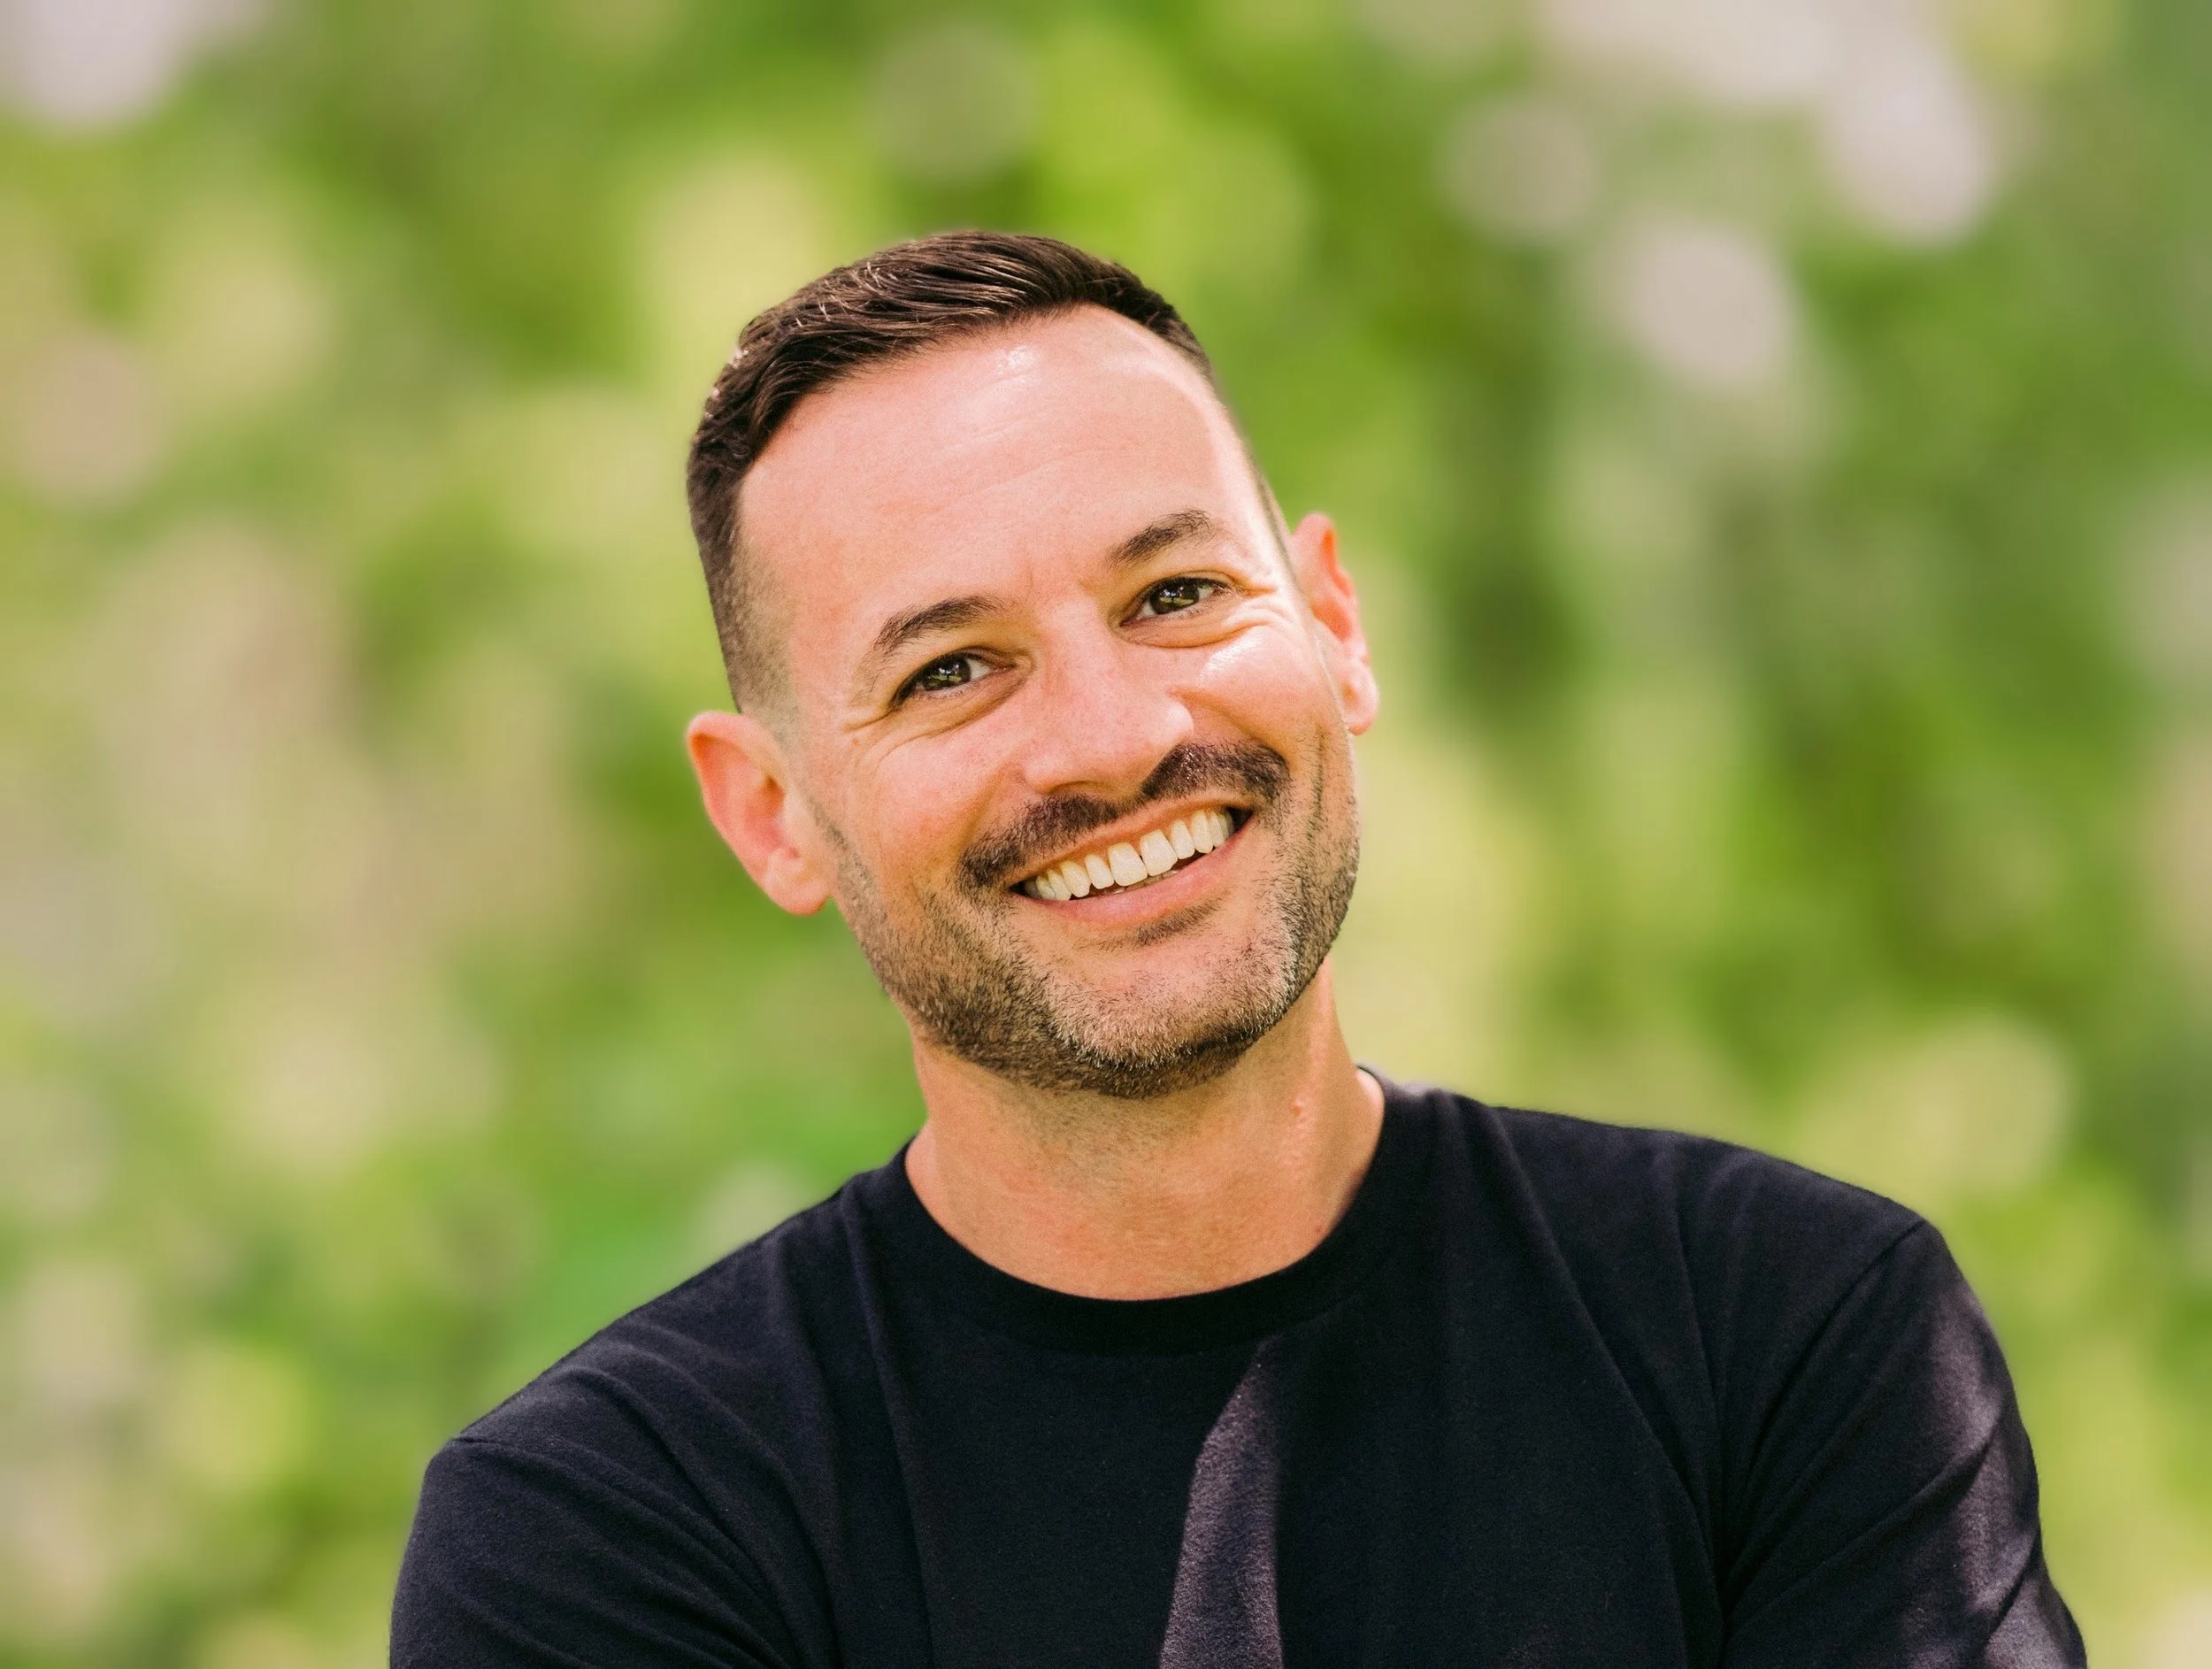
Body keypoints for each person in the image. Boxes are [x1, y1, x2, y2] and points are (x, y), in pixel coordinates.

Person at [390, 232, 2083, 1668]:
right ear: (771, 813)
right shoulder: (609, 1531)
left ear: (1334, 624)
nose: (1114, 740)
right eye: (951, 671)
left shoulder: (1790, 1336)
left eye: (1177, 595)